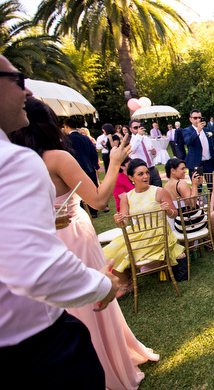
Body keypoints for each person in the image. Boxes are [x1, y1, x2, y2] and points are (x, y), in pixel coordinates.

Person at [11, 96, 159, 389]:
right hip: (75, 234)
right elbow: (100, 200)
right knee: (96, 296)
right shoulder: (56, 157)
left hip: (47, 235)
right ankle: (110, 365)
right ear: (49, 123)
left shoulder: (19, 161)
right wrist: (115, 162)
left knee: (68, 305)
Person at [0, 54, 118, 388]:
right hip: (36, 342)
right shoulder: (20, 162)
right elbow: (98, 200)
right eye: (17, 80)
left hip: (56, 236)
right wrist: (103, 285)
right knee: (92, 310)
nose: (26, 92)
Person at [103, 158, 184, 295]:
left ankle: (125, 283)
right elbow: (124, 224)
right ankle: (125, 282)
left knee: (123, 251)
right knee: (109, 251)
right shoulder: (127, 198)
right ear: (131, 177)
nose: (146, 176)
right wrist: (119, 221)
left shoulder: (159, 191)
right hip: (138, 234)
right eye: (140, 174)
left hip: (159, 235)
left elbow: (174, 214)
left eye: (146, 173)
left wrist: (169, 211)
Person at [63, 117, 101, 217]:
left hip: (76, 169)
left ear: (66, 126)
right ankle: (93, 211)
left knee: (79, 191)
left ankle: (84, 210)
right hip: (89, 167)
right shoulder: (85, 138)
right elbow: (94, 152)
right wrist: (95, 164)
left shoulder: (66, 140)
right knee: (92, 188)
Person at [183, 109, 214, 181]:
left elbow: (210, 147)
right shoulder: (187, 130)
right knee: (198, 188)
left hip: (209, 163)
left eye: (199, 117)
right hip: (196, 163)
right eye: (195, 118)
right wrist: (197, 131)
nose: (198, 119)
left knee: (213, 187)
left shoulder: (206, 130)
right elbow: (188, 142)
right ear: (190, 119)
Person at [128, 119, 162, 187]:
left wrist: (154, 153)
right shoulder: (132, 140)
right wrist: (139, 135)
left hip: (152, 168)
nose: (138, 129)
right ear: (131, 129)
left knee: (158, 189)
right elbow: (132, 150)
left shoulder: (146, 138)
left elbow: (152, 153)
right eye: (135, 127)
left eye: (140, 127)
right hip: (141, 171)